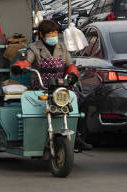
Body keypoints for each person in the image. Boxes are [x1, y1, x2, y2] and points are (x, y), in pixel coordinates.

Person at [24, 20, 90, 151]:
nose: (53, 35)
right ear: (41, 35)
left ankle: (78, 136)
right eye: (50, 33)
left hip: (61, 85)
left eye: (55, 32)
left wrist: (72, 74)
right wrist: (21, 65)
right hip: (43, 85)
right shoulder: (34, 47)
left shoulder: (61, 47)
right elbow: (27, 61)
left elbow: (69, 64)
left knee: (81, 101)